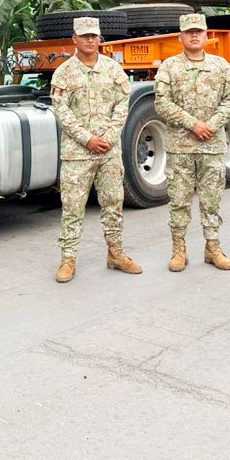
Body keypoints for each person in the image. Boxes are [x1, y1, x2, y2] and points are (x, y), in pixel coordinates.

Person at [49, 16, 143, 283]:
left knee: (113, 203)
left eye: (94, 36)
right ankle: (68, 260)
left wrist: (110, 137)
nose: (90, 40)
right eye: (85, 35)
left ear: (100, 39)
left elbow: (122, 104)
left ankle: (116, 254)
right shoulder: (64, 73)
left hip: (109, 152)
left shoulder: (113, 69)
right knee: (73, 207)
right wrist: (87, 139)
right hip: (78, 153)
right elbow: (62, 112)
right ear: (74, 40)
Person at [154, 12, 230, 272]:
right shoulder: (169, 66)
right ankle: (179, 250)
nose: (194, 35)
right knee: (179, 199)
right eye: (189, 32)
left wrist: (211, 125)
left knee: (211, 199)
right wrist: (194, 124)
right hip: (180, 146)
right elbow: (161, 103)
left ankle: (212, 247)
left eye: (198, 31)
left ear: (206, 35)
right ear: (180, 37)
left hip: (212, 146)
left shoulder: (221, 66)